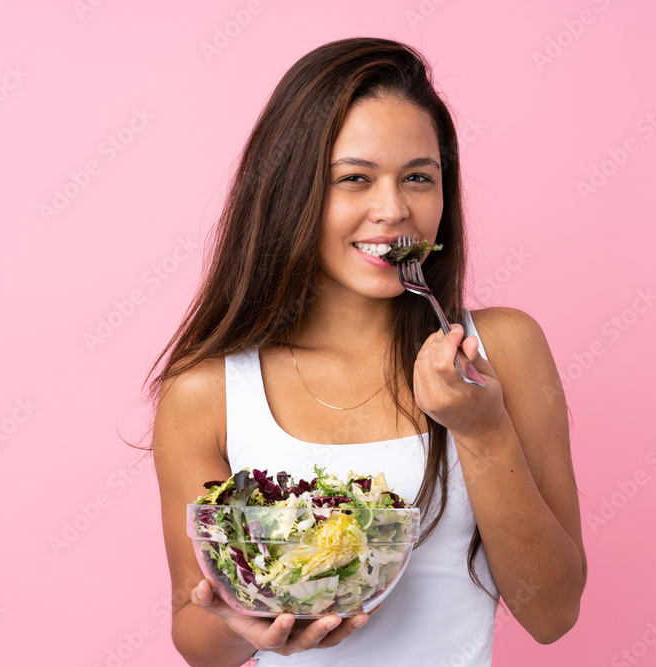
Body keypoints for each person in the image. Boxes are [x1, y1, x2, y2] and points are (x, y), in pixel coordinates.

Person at [148, 37, 586, 666]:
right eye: (354, 178)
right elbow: (195, 639)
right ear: (289, 192)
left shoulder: (503, 349)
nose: (394, 209)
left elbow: (553, 613)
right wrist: (244, 617)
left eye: (418, 178)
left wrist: (483, 429)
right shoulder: (207, 390)